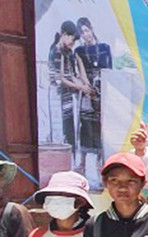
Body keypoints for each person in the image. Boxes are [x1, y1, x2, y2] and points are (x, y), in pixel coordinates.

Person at [74, 17, 112, 179]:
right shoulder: (79, 51)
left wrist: (101, 89)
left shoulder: (104, 48)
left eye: (87, 31)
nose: (85, 35)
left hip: (102, 90)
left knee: (100, 126)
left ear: (92, 29)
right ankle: (82, 163)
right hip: (87, 90)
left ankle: (100, 164)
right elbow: (79, 71)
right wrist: (88, 87)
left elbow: (109, 70)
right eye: (82, 33)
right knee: (85, 124)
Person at [48, 21, 85, 158]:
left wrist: (82, 85)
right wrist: (79, 86)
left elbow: (72, 75)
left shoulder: (68, 52)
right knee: (60, 130)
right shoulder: (56, 51)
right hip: (57, 96)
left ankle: (73, 158)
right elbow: (61, 79)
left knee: (71, 129)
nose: (72, 43)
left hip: (69, 96)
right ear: (64, 35)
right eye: (72, 39)